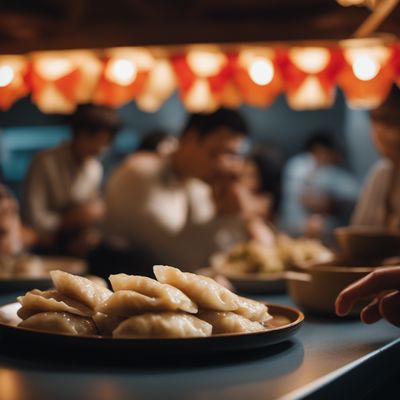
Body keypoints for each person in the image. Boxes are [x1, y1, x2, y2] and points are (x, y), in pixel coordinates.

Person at [100, 108, 273, 276]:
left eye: (231, 156)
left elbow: (219, 252)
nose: (223, 165)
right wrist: (227, 217)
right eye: (215, 153)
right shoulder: (140, 173)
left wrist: (240, 215)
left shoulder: (199, 185)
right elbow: (175, 257)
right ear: (190, 138)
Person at [23, 104, 122, 257]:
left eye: (106, 143)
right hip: (42, 246)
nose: (100, 149)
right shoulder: (45, 162)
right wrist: (72, 219)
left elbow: (92, 213)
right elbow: (34, 220)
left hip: (78, 247)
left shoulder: (94, 168)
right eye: (97, 140)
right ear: (79, 134)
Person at [280, 131, 359, 242]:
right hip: (296, 229)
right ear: (320, 150)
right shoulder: (300, 166)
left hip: (321, 231)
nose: (336, 158)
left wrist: (330, 203)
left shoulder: (328, 170)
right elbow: (305, 200)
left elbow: (354, 193)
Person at [351, 87, 400, 229]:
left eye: (394, 120)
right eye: (378, 119)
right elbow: (360, 233)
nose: (385, 131)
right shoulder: (382, 173)